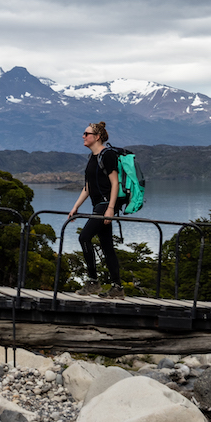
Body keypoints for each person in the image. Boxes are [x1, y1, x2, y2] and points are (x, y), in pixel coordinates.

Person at [68, 121, 123, 297]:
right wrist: (76, 207)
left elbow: (115, 183)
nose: (83, 136)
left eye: (87, 134)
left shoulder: (107, 155)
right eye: (84, 134)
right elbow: (88, 187)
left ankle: (93, 281)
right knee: (107, 246)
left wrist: (111, 208)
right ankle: (118, 288)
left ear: (97, 137)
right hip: (97, 205)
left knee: (84, 237)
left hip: (105, 205)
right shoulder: (92, 157)